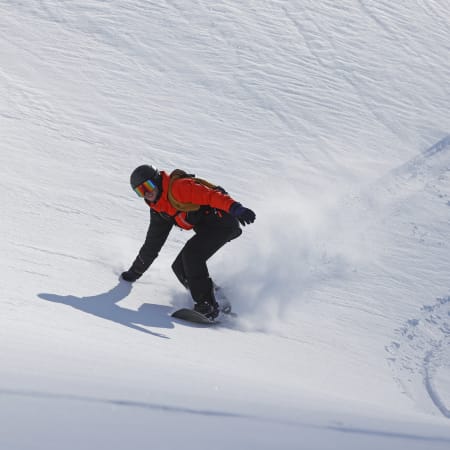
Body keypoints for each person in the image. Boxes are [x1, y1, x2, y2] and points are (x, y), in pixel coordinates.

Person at [121, 165, 256, 319]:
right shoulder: (160, 210)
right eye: (140, 191)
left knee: (192, 256)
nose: (147, 193)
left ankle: (207, 306)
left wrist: (236, 208)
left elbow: (211, 196)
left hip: (223, 222)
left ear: (157, 181)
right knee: (179, 267)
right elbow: (152, 245)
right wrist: (134, 273)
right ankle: (215, 296)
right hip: (209, 229)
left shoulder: (179, 188)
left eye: (147, 186)